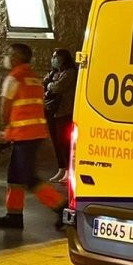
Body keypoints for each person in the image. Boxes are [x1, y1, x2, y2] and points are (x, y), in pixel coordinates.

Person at [0, 44, 64, 230]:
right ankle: (14, 215)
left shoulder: (13, 78)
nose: (6, 57)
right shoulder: (33, 78)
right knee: (15, 176)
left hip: (23, 135)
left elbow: (5, 110)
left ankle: (61, 208)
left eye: (9, 54)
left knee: (27, 176)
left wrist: (7, 131)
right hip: (36, 133)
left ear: (17, 57)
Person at [42, 48, 77, 183]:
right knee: (56, 141)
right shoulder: (54, 72)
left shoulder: (70, 73)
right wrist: (50, 85)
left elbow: (57, 87)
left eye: (56, 56)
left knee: (65, 142)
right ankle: (61, 168)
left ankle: (69, 170)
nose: (53, 59)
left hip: (64, 111)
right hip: (52, 110)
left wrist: (50, 86)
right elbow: (44, 83)